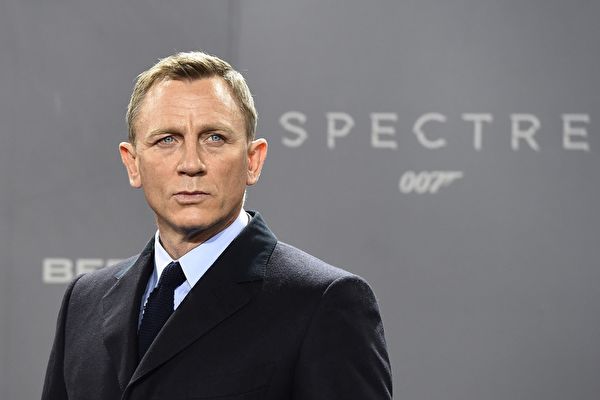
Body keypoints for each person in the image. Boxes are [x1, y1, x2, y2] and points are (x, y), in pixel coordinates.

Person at [42, 51, 392, 400]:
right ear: (133, 164)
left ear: (253, 161)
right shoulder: (84, 302)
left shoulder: (322, 303)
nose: (191, 164)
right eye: (167, 140)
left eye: (214, 138)